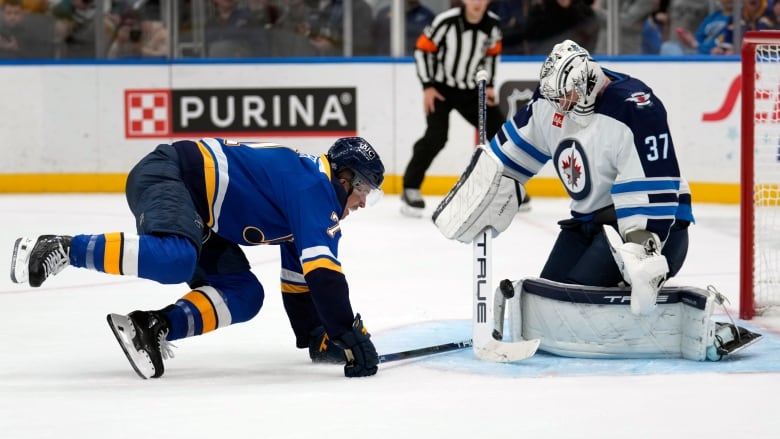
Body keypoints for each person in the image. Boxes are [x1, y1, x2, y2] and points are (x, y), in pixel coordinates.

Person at [10, 136, 384, 379]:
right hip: (171, 176)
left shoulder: (310, 194)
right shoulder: (314, 189)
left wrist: (317, 336)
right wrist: (348, 334)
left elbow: (301, 277)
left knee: (245, 295)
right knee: (176, 258)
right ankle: (60, 247)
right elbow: (325, 276)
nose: (364, 201)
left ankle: (152, 327)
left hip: (200, 213)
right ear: (343, 177)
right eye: (364, 187)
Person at [434, 40, 694, 316]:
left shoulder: (636, 108)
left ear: (588, 84)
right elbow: (509, 158)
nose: (559, 107)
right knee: (545, 300)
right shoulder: (552, 100)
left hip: (656, 231)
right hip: (588, 225)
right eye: (555, 99)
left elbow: (652, 188)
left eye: (566, 97)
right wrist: (483, 187)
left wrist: (642, 252)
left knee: (569, 305)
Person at [401, 0, 504, 216]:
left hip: (471, 90)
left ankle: (506, 188)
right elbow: (421, 50)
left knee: (500, 133)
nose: (477, 2)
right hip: (440, 89)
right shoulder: (445, 21)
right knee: (435, 137)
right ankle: (410, 187)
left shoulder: (493, 24)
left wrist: (491, 85)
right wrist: (427, 86)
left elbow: (492, 55)